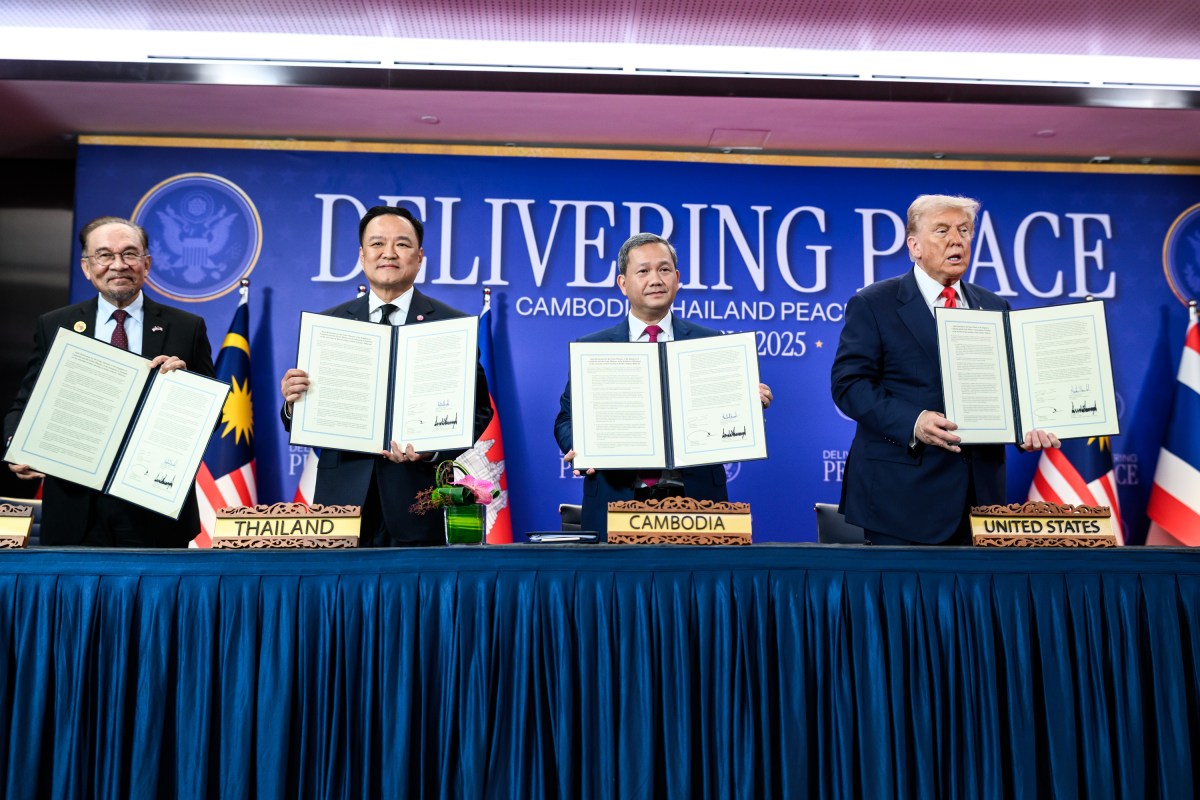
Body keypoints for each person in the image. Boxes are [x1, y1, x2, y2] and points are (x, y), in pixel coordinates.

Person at [830, 194, 1059, 545]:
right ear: (914, 246)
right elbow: (849, 385)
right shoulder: (874, 303)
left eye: (964, 230)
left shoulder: (994, 306)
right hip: (901, 499)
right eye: (942, 230)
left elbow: (1011, 388)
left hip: (981, 501)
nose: (957, 240)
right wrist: (915, 421)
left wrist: (1025, 425)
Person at [280, 205, 492, 546]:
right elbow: (303, 418)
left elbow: (480, 410)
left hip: (418, 498)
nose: (389, 253)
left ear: (420, 257)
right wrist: (293, 403)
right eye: (377, 244)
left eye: (402, 244)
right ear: (363, 256)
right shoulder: (330, 327)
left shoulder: (452, 326)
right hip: (342, 501)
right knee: (342, 599)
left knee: (418, 598)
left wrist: (433, 450)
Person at [3, 216, 215, 547]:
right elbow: (24, 404)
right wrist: (15, 445)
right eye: (104, 255)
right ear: (87, 268)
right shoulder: (55, 325)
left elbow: (211, 417)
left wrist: (184, 389)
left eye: (129, 254)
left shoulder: (187, 327)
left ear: (146, 264)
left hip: (153, 506)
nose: (118, 265)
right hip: (75, 506)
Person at [554, 232, 773, 536]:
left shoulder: (711, 344)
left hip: (696, 502)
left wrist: (745, 405)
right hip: (614, 499)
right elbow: (566, 419)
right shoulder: (594, 347)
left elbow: (729, 423)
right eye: (643, 271)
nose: (655, 279)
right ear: (622, 283)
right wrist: (579, 445)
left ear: (677, 278)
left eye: (664, 269)